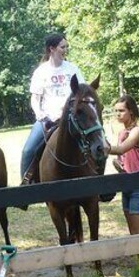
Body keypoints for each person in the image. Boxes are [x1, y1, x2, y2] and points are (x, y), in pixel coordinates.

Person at [20, 33, 85, 184]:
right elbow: (35, 98)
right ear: (52, 49)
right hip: (49, 119)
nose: (65, 50)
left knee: (97, 141)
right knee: (28, 150)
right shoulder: (41, 72)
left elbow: (82, 91)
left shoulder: (72, 69)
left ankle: (99, 182)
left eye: (66, 47)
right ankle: (25, 187)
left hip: (71, 117)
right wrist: (40, 115)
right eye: (63, 47)